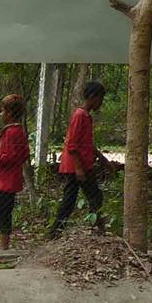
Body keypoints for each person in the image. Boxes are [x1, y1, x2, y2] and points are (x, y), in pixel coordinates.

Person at [49, 79, 109, 237]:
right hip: (76, 166)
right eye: (100, 99)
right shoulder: (80, 115)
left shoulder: (86, 116)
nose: (101, 103)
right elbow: (72, 144)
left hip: (81, 165)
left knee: (83, 197)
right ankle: (95, 229)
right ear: (93, 97)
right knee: (90, 197)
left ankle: (58, 230)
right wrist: (78, 169)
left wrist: (102, 159)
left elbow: (87, 143)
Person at [0, 92, 30, 250]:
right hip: (12, 180)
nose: (1, 114)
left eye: (2, 111)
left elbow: (9, 158)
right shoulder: (19, 131)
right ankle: (4, 248)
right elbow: (24, 154)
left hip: (6, 182)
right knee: (5, 214)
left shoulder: (11, 133)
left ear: (9, 113)